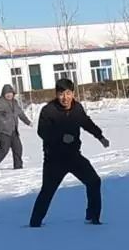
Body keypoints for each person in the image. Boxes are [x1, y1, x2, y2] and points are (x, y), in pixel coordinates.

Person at [29, 78, 110, 228]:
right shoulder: (48, 110)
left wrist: (100, 136)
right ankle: (35, 224)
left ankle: (93, 217)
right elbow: (42, 131)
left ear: (73, 93)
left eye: (68, 93)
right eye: (61, 94)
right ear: (56, 94)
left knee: (94, 181)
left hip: (74, 156)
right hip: (54, 159)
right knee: (47, 191)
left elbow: (86, 123)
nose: (65, 97)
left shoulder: (77, 108)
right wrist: (60, 137)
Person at [0, 84, 32, 173]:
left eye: (10, 93)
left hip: (13, 130)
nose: (9, 95)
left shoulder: (14, 102)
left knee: (18, 147)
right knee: (4, 149)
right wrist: (4, 121)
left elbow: (20, 113)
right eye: (7, 93)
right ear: (3, 94)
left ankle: (18, 167)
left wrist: (27, 122)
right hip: (2, 130)